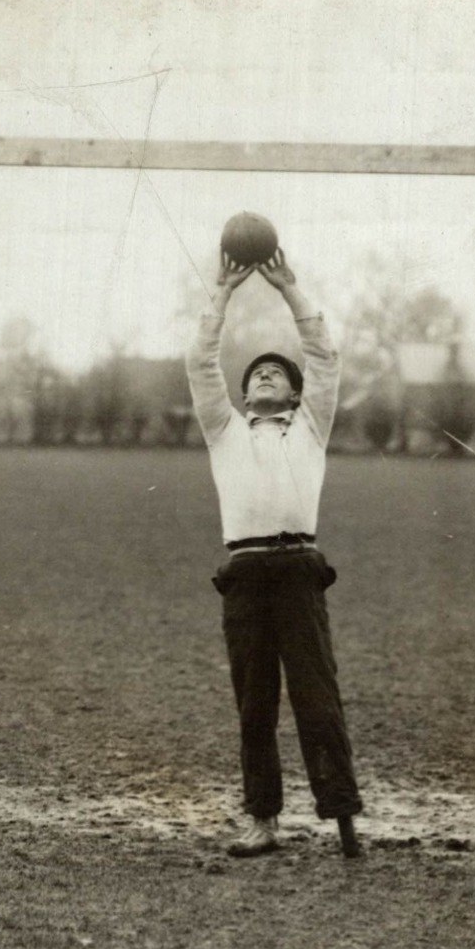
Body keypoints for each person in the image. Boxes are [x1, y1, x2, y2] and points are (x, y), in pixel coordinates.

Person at [185, 246, 363, 859]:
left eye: (277, 373)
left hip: (299, 570)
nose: (265, 374)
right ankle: (262, 820)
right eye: (256, 372)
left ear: (294, 393)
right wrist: (223, 295)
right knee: (254, 705)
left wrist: (290, 289)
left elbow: (326, 357)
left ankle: (343, 819)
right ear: (242, 393)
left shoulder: (312, 427)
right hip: (244, 573)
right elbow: (200, 365)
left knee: (318, 698)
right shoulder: (225, 431)